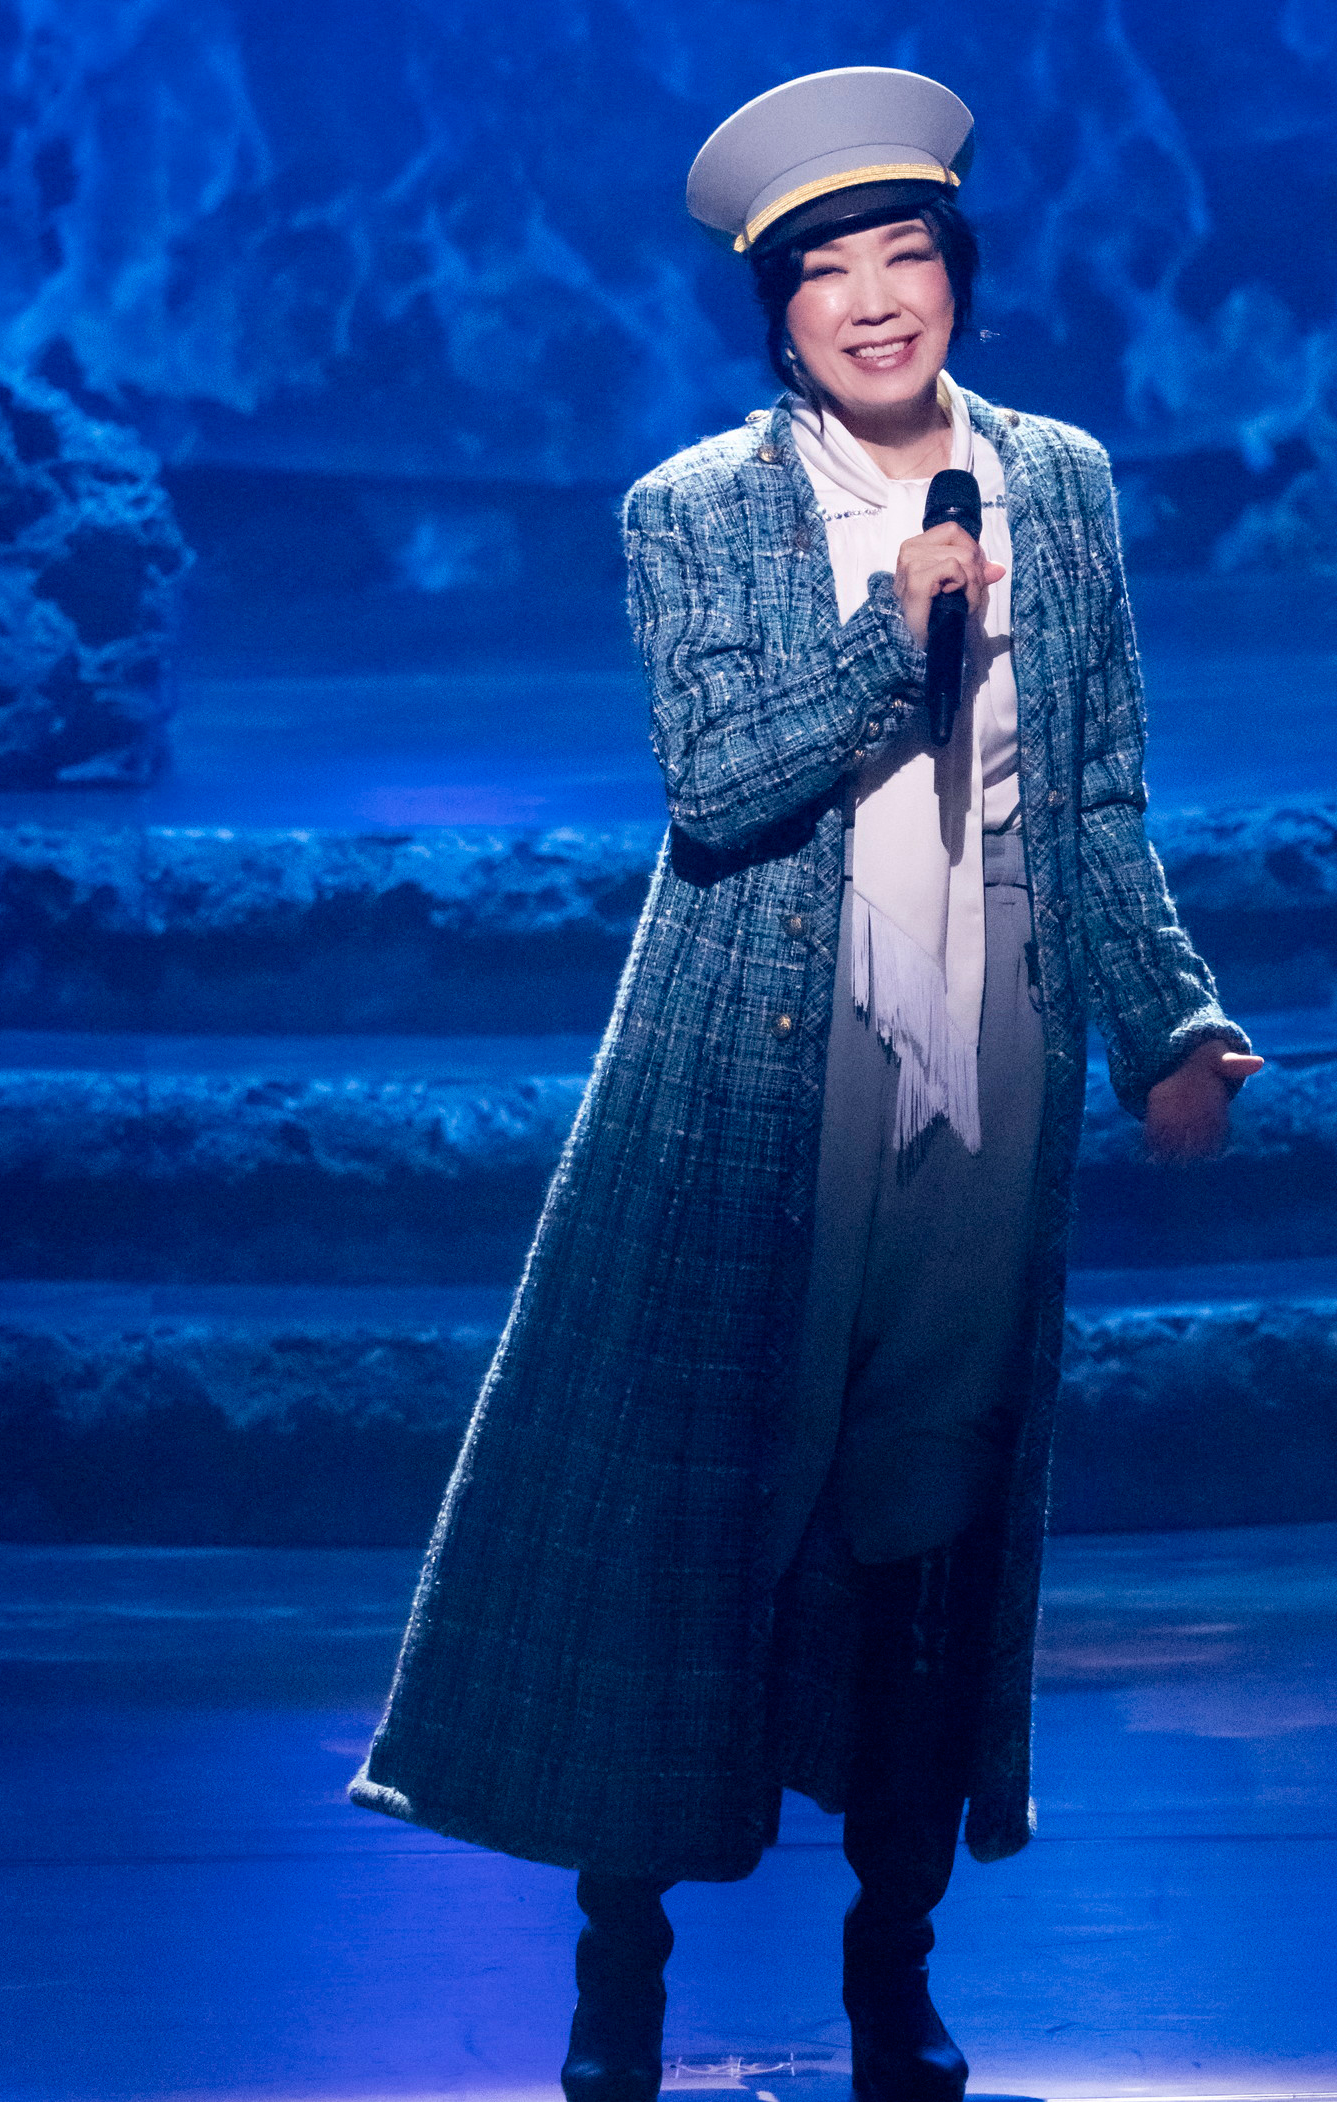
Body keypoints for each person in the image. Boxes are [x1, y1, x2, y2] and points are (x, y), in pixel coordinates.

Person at [351, 65, 1262, 2102]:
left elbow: (1095, 798)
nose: (873, 301)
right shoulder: (692, 508)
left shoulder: (1061, 483)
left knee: (927, 1515)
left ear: (960, 276)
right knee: (697, 1506)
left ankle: (890, 1971)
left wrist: (1169, 1020)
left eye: (904, 256)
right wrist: (888, 629)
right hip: (755, 1062)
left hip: (991, 1051)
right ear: (775, 313)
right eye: (827, 273)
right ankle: (619, 1975)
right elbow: (719, 785)